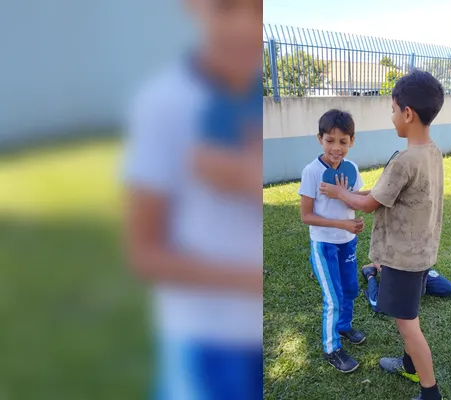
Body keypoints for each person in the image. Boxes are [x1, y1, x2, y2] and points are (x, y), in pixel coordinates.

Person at [121, 0, 263, 398]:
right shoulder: (165, 103)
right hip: (205, 343)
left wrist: (246, 177)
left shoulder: (259, 97)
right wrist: (247, 279)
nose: (246, 26)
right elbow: (143, 252)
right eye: (227, 7)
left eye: (259, 8)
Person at [320, 70, 446, 400]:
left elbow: (369, 203)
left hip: (403, 260)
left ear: (407, 113)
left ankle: (430, 392)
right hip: (420, 255)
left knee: (408, 325)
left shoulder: (405, 160)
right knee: (408, 315)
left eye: (392, 110)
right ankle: (408, 364)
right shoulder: (432, 152)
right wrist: (357, 191)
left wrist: (339, 194)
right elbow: (382, 192)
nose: (392, 117)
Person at [299, 109, 368, 373]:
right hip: (324, 245)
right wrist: (342, 223)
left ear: (352, 141)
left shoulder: (352, 169)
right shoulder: (312, 171)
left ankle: (344, 327)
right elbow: (306, 217)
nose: (336, 148)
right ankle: (332, 348)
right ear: (320, 139)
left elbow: (357, 196)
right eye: (330, 140)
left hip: (348, 241)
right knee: (333, 298)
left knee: (350, 289)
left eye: (343, 141)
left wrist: (378, 193)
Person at [361, 263, 451, 313]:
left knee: (446, 289)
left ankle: (414, 284)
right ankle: (370, 274)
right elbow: (377, 256)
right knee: (380, 306)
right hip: (395, 270)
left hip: (417, 267)